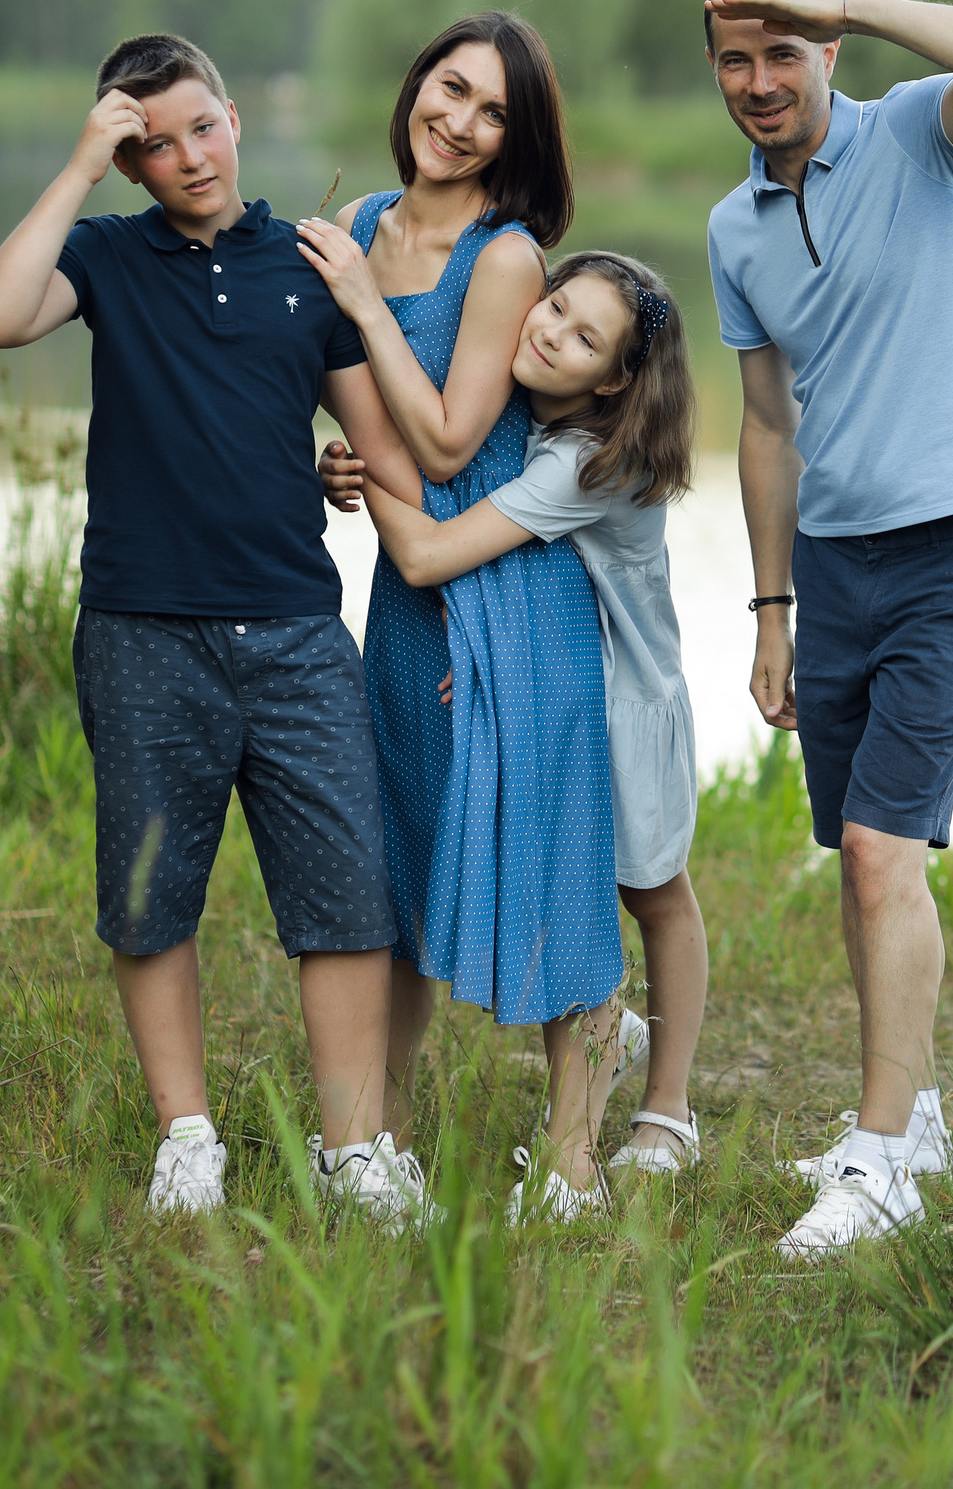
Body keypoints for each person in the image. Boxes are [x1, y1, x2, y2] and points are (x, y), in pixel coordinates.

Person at [0, 33, 434, 1227]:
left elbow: (385, 449)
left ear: (234, 116)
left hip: (291, 627)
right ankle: (188, 1137)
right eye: (151, 144)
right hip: (141, 630)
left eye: (200, 127)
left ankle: (352, 1151)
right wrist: (78, 165)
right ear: (128, 163)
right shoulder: (108, 257)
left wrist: (343, 467)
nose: (186, 158)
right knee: (151, 891)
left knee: (346, 893)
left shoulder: (305, 265)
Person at [702, 0, 953, 1258]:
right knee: (860, 859)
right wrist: (771, 609)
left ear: (827, 54)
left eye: (783, 51)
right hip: (838, 563)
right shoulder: (732, 226)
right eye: (736, 59)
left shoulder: (919, 130)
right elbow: (761, 423)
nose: (759, 81)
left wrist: (847, 3)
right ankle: (909, 1122)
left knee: (880, 852)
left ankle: (879, 1161)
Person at [292, 14, 629, 1194]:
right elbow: (367, 426)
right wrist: (339, 463)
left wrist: (365, 309)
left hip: (503, 586)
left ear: (513, 138)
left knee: (550, 861)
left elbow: (442, 442)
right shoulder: (360, 228)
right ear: (415, 85)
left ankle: (575, 1161)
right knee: (397, 862)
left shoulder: (505, 259)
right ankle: (373, 1146)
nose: (458, 122)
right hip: (403, 590)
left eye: (491, 111)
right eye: (449, 89)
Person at [317, 252, 709, 1222]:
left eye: (584, 339)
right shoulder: (529, 419)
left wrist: (368, 458)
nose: (549, 332)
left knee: (650, 892)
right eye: (556, 306)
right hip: (548, 679)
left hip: (622, 700)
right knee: (595, 886)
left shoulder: (585, 461)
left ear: (615, 380)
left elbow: (434, 550)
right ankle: (594, 1097)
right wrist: (353, 466)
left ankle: (663, 1109)